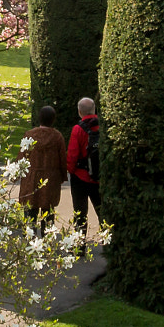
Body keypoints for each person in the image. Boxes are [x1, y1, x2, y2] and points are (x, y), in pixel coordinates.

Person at [17, 105, 67, 235]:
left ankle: (29, 240)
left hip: (31, 178)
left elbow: (22, 157)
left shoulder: (29, 135)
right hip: (50, 179)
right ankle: (47, 241)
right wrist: (62, 176)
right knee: (48, 211)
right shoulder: (57, 137)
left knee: (30, 210)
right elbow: (62, 159)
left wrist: (17, 174)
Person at [66, 97, 101, 242]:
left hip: (80, 176)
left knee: (80, 213)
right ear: (94, 109)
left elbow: (73, 154)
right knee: (102, 211)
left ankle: (79, 246)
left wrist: (70, 170)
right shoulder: (101, 126)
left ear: (80, 112)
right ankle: (110, 243)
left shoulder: (78, 129)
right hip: (98, 175)